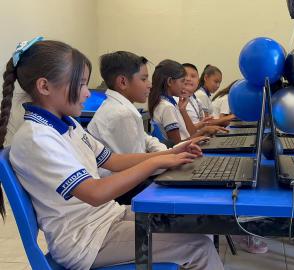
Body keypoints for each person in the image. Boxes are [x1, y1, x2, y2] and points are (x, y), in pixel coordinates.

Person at [0, 38, 223, 270]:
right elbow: (95, 193)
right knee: (198, 247)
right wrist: (156, 161)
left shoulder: (70, 126)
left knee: (195, 228)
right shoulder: (37, 139)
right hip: (86, 240)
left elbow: (113, 160)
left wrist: (172, 152)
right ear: (45, 87)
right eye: (81, 84)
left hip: (105, 218)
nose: (88, 93)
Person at [87, 51, 201, 205]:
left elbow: (146, 139)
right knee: (184, 195)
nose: (150, 84)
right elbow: (138, 169)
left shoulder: (122, 108)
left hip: (128, 180)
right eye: (144, 78)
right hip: (122, 191)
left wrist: (168, 154)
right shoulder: (121, 113)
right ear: (123, 82)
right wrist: (169, 159)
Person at [148, 59, 226, 145]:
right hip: (184, 153)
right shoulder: (167, 107)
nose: (184, 84)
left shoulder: (168, 104)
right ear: (170, 81)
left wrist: (183, 110)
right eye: (182, 81)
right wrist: (205, 130)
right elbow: (177, 145)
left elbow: (190, 133)